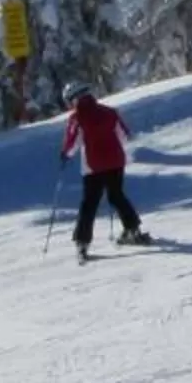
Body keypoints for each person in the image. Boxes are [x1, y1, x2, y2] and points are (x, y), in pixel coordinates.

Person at [59, 84, 152, 260]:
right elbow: (124, 135)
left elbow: (72, 143)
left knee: (89, 203)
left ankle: (82, 242)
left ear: (73, 99)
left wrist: (65, 155)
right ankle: (133, 230)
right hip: (116, 161)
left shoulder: (77, 118)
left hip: (92, 166)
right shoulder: (109, 112)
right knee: (116, 195)